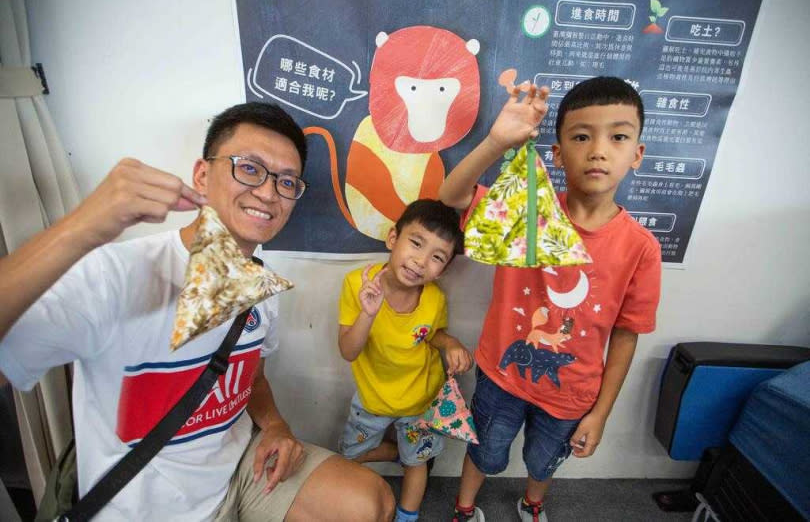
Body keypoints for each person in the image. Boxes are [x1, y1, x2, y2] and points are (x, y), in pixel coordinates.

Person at [0, 102, 395, 521]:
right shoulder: (114, 274)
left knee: (373, 501)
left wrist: (276, 425)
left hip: (239, 471)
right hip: (143, 507)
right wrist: (81, 226)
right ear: (203, 176)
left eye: (286, 181)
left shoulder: (261, 284)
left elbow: (252, 378)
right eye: (249, 168)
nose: (267, 192)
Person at [439, 77, 662, 522]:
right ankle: (464, 508)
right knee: (487, 451)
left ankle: (532, 503)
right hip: (504, 374)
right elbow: (451, 196)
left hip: (572, 391)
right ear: (557, 154)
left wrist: (600, 413)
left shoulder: (641, 248)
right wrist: (497, 141)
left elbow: (626, 336)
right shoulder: (526, 210)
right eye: (582, 136)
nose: (598, 149)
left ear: (636, 154)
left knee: (544, 461)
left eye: (618, 136)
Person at [337, 199, 474, 522]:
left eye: (437, 257)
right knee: (348, 456)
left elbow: (431, 334)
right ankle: (402, 450)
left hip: (420, 403)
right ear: (392, 238)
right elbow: (348, 351)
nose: (420, 261)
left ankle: (407, 514)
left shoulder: (434, 297)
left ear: (445, 267)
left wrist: (450, 342)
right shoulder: (358, 284)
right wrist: (367, 315)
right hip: (372, 400)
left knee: (417, 465)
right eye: (416, 243)